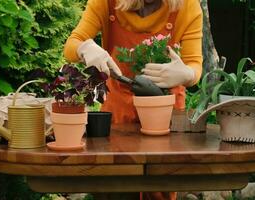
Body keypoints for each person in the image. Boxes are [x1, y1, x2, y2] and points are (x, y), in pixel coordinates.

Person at [64, 0, 203, 199]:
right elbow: (71, 45)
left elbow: (195, 64)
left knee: (160, 187)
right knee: (114, 184)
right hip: (117, 109)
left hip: (163, 108)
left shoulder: (187, 5)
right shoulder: (106, 2)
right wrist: (84, 48)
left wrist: (188, 74)